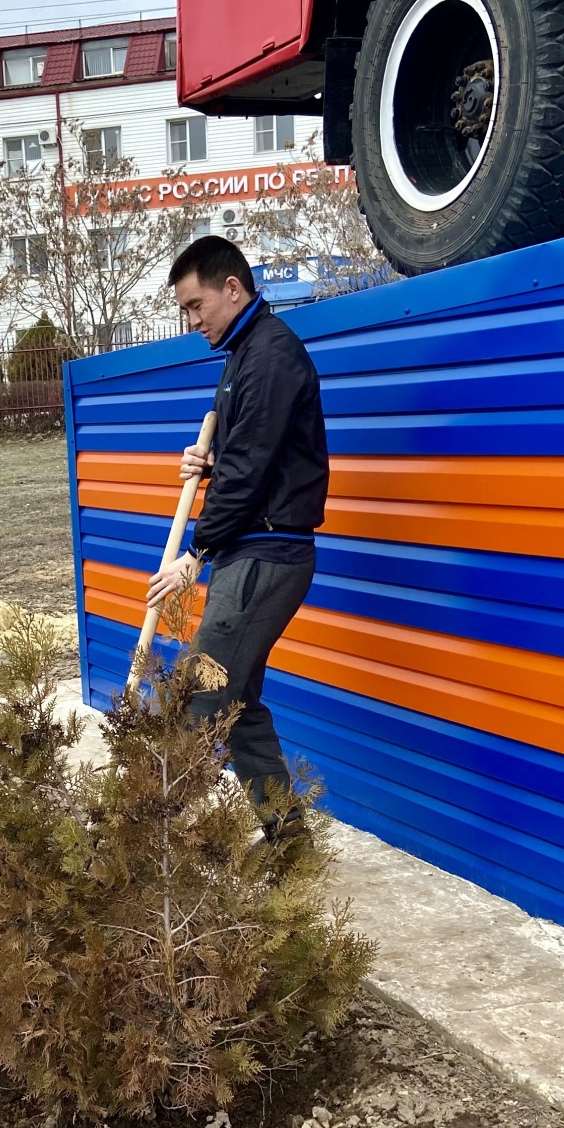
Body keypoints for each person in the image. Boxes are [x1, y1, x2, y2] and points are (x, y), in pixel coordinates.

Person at [146, 235, 330, 842]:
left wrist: (195, 552)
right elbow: (250, 457)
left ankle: (150, 840)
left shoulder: (271, 356)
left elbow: (251, 467)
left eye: (197, 305)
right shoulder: (244, 355)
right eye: (184, 311)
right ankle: (289, 839)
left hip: (267, 555)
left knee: (199, 696)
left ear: (233, 288)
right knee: (238, 703)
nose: (192, 321)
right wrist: (208, 464)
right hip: (251, 551)